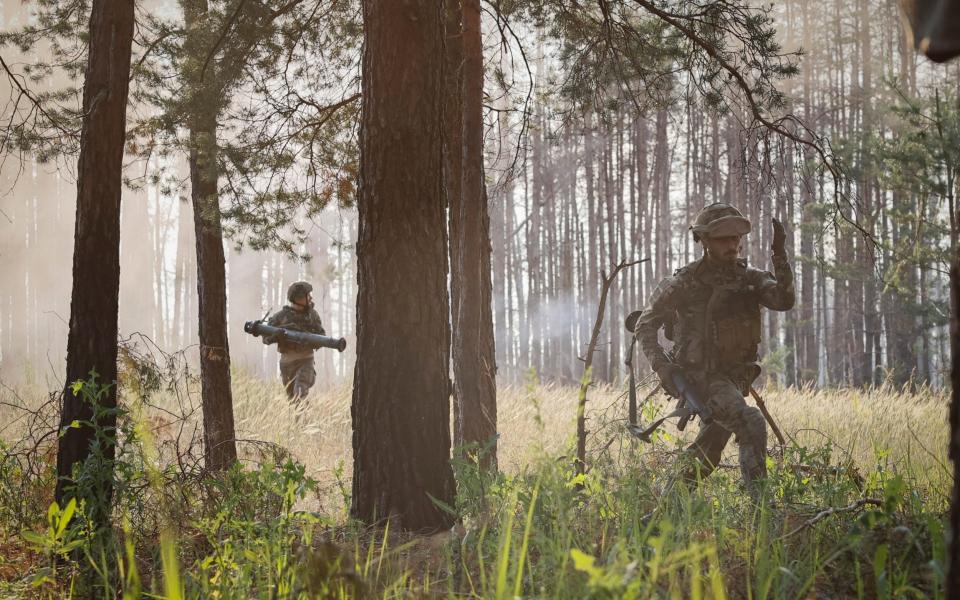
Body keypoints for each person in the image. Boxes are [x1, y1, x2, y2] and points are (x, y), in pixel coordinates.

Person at [634, 202, 794, 494]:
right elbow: (644, 324)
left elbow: (784, 301)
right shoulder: (683, 282)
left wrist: (779, 254)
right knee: (750, 421)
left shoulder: (750, 278)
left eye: (736, 238)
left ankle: (663, 509)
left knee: (707, 454)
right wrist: (664, 368)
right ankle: (762, 514)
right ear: (704, 241)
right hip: (701, 377)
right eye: (723, 239)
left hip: (735, 378)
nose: (732, 245)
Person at [262, 281, 326, 403]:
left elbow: (322, 336)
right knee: (292, 401)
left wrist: (307, 338)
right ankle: (301, 422)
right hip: (286, 364)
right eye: (308, 295)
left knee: (299, 393)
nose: (310, 298)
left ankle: (303, 421)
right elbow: (265, 338)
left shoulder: (312, 315)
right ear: (299, 298)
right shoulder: (280, 317)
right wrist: (275, 337)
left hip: (305, 361)